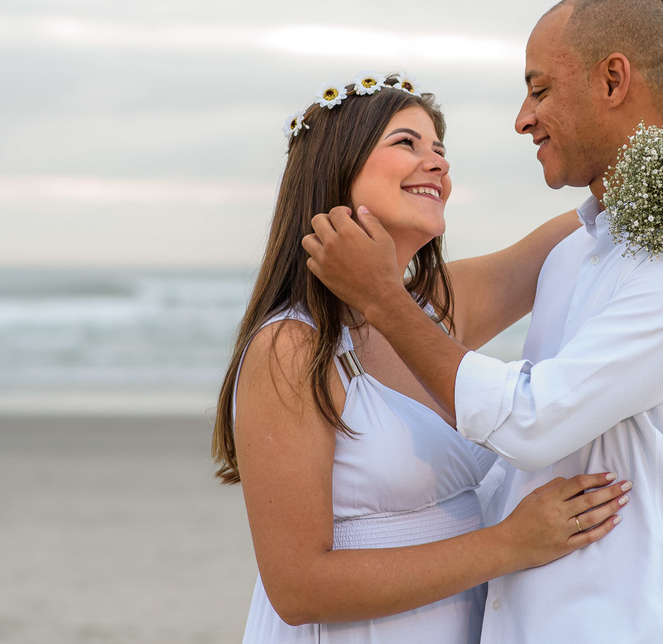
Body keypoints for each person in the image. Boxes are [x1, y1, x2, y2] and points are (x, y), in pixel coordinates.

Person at [304, 0, 663, 644]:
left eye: (541, 88)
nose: (523, 117)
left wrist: (383, 296)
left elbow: (531, 420)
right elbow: (516, 473)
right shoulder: (572, 256)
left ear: (614, 79)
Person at [211, 75, 635, 644]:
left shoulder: (434, 311)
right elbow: (297, 587)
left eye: (440, 150)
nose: (436, 164)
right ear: (337, 168)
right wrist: (510, 544)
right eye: (407, 144)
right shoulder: (292, 347)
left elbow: (586, 226)